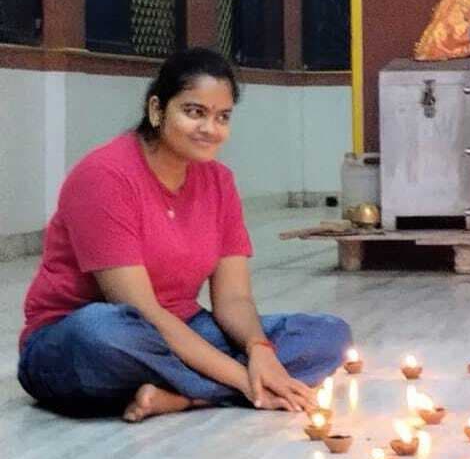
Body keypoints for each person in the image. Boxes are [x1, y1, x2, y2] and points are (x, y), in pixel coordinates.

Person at [17, 47, 352, 422]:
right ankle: (209, 391)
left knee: (327, 336)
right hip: (77, 340)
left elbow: (235, 299)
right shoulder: (105, 176)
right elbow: (141, 311)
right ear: (157, 110)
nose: (210, 129)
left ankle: (181, 397)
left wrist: (261, 350)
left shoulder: (219, 183)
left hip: (183, 329)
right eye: (194, 112)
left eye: (222, 117)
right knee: (100, 334)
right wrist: (246, 379)